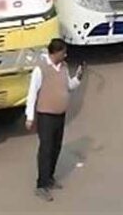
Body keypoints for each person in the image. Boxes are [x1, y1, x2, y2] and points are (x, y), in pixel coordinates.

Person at [25, 38, 84, 202]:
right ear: (56, 52)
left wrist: (77, 79)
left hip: (60, 114)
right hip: (45, 115)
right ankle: (41, 185)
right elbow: (32, 94)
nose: (65, 55)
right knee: (46, 149)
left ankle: (49, 178)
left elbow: (68, 86)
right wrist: (30, 117)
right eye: (63, 52)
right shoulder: (40, 69)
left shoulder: (64, 68)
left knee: (56, 147)